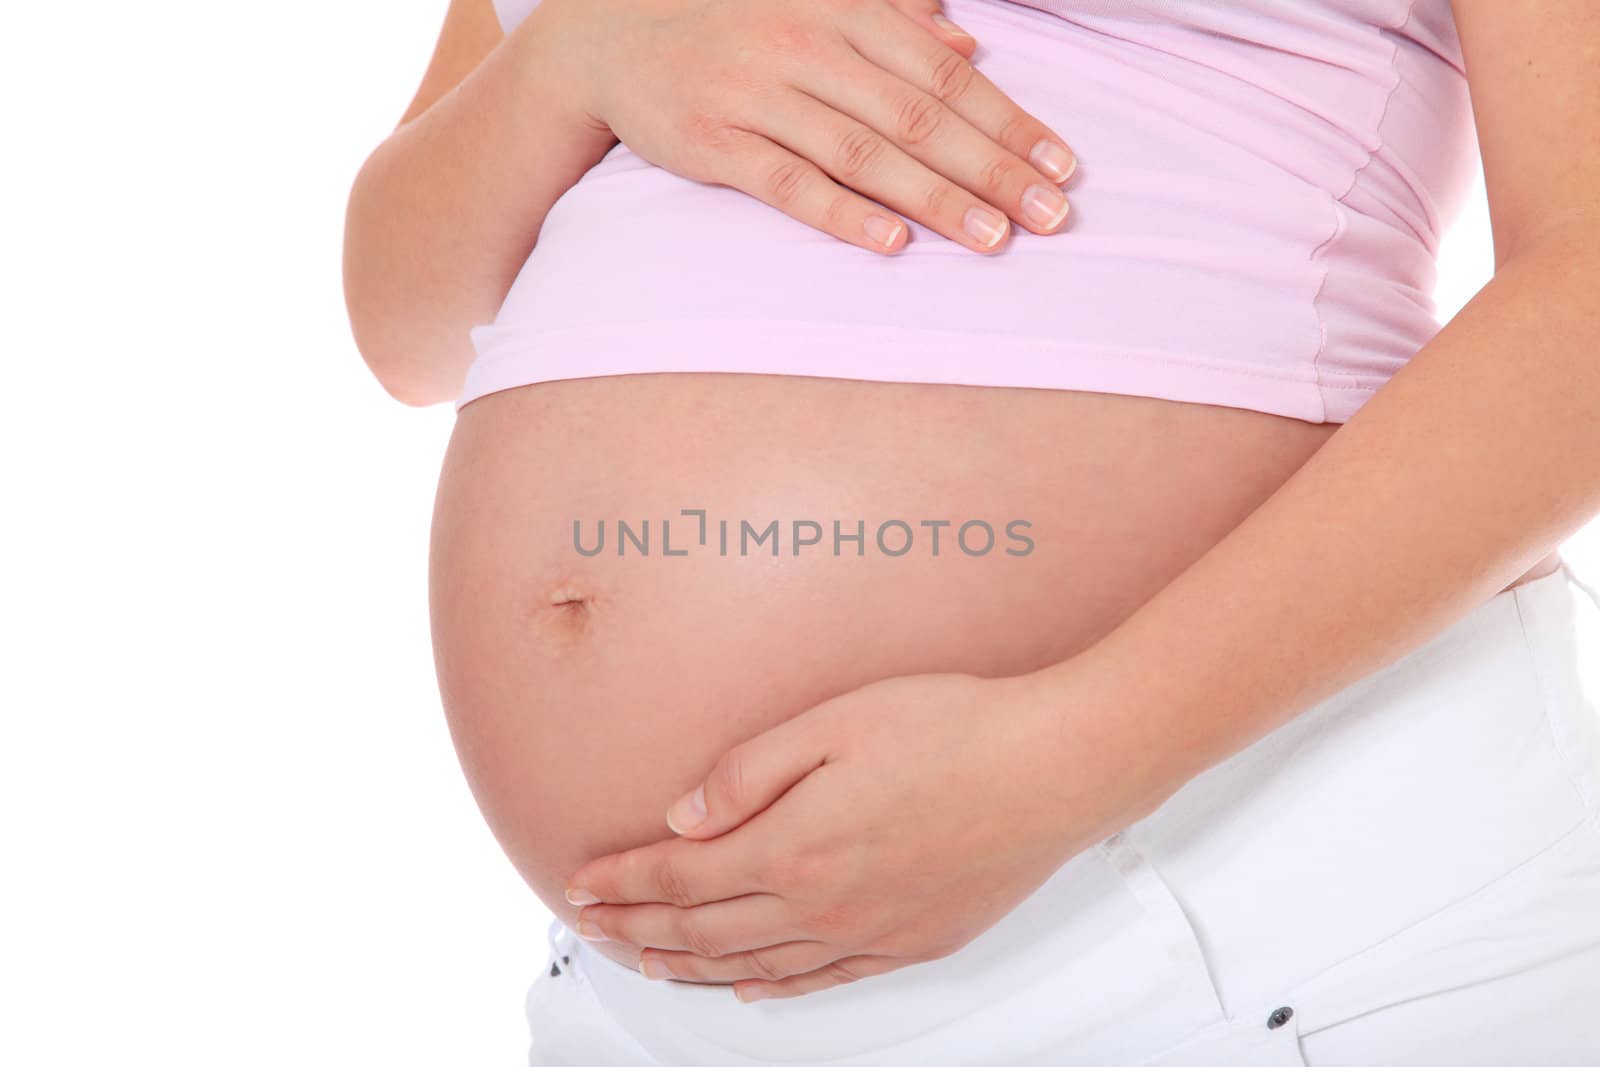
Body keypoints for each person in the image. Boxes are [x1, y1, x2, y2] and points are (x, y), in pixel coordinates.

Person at [341, 0, 1600, 1062]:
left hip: (1241, 901)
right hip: (664, 1005)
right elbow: (408, 324)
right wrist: (572, 59)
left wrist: (1081, 754)